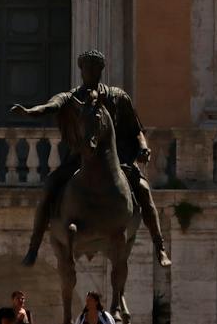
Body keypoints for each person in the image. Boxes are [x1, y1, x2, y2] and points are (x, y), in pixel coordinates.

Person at [13, 50, 170, 268]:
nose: (91, 72)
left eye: (95, 68)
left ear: (101, 70)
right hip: (79, 159)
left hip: (117, 161)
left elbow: (136, 129)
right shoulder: (71, 98)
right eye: (87, 68)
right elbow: (51, 106)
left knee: (143, 190)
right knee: (49, 186)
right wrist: (31, 112)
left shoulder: (118, 96)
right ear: (81, 70)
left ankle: (159, 246)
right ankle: (33, 247)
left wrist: (143, 147)